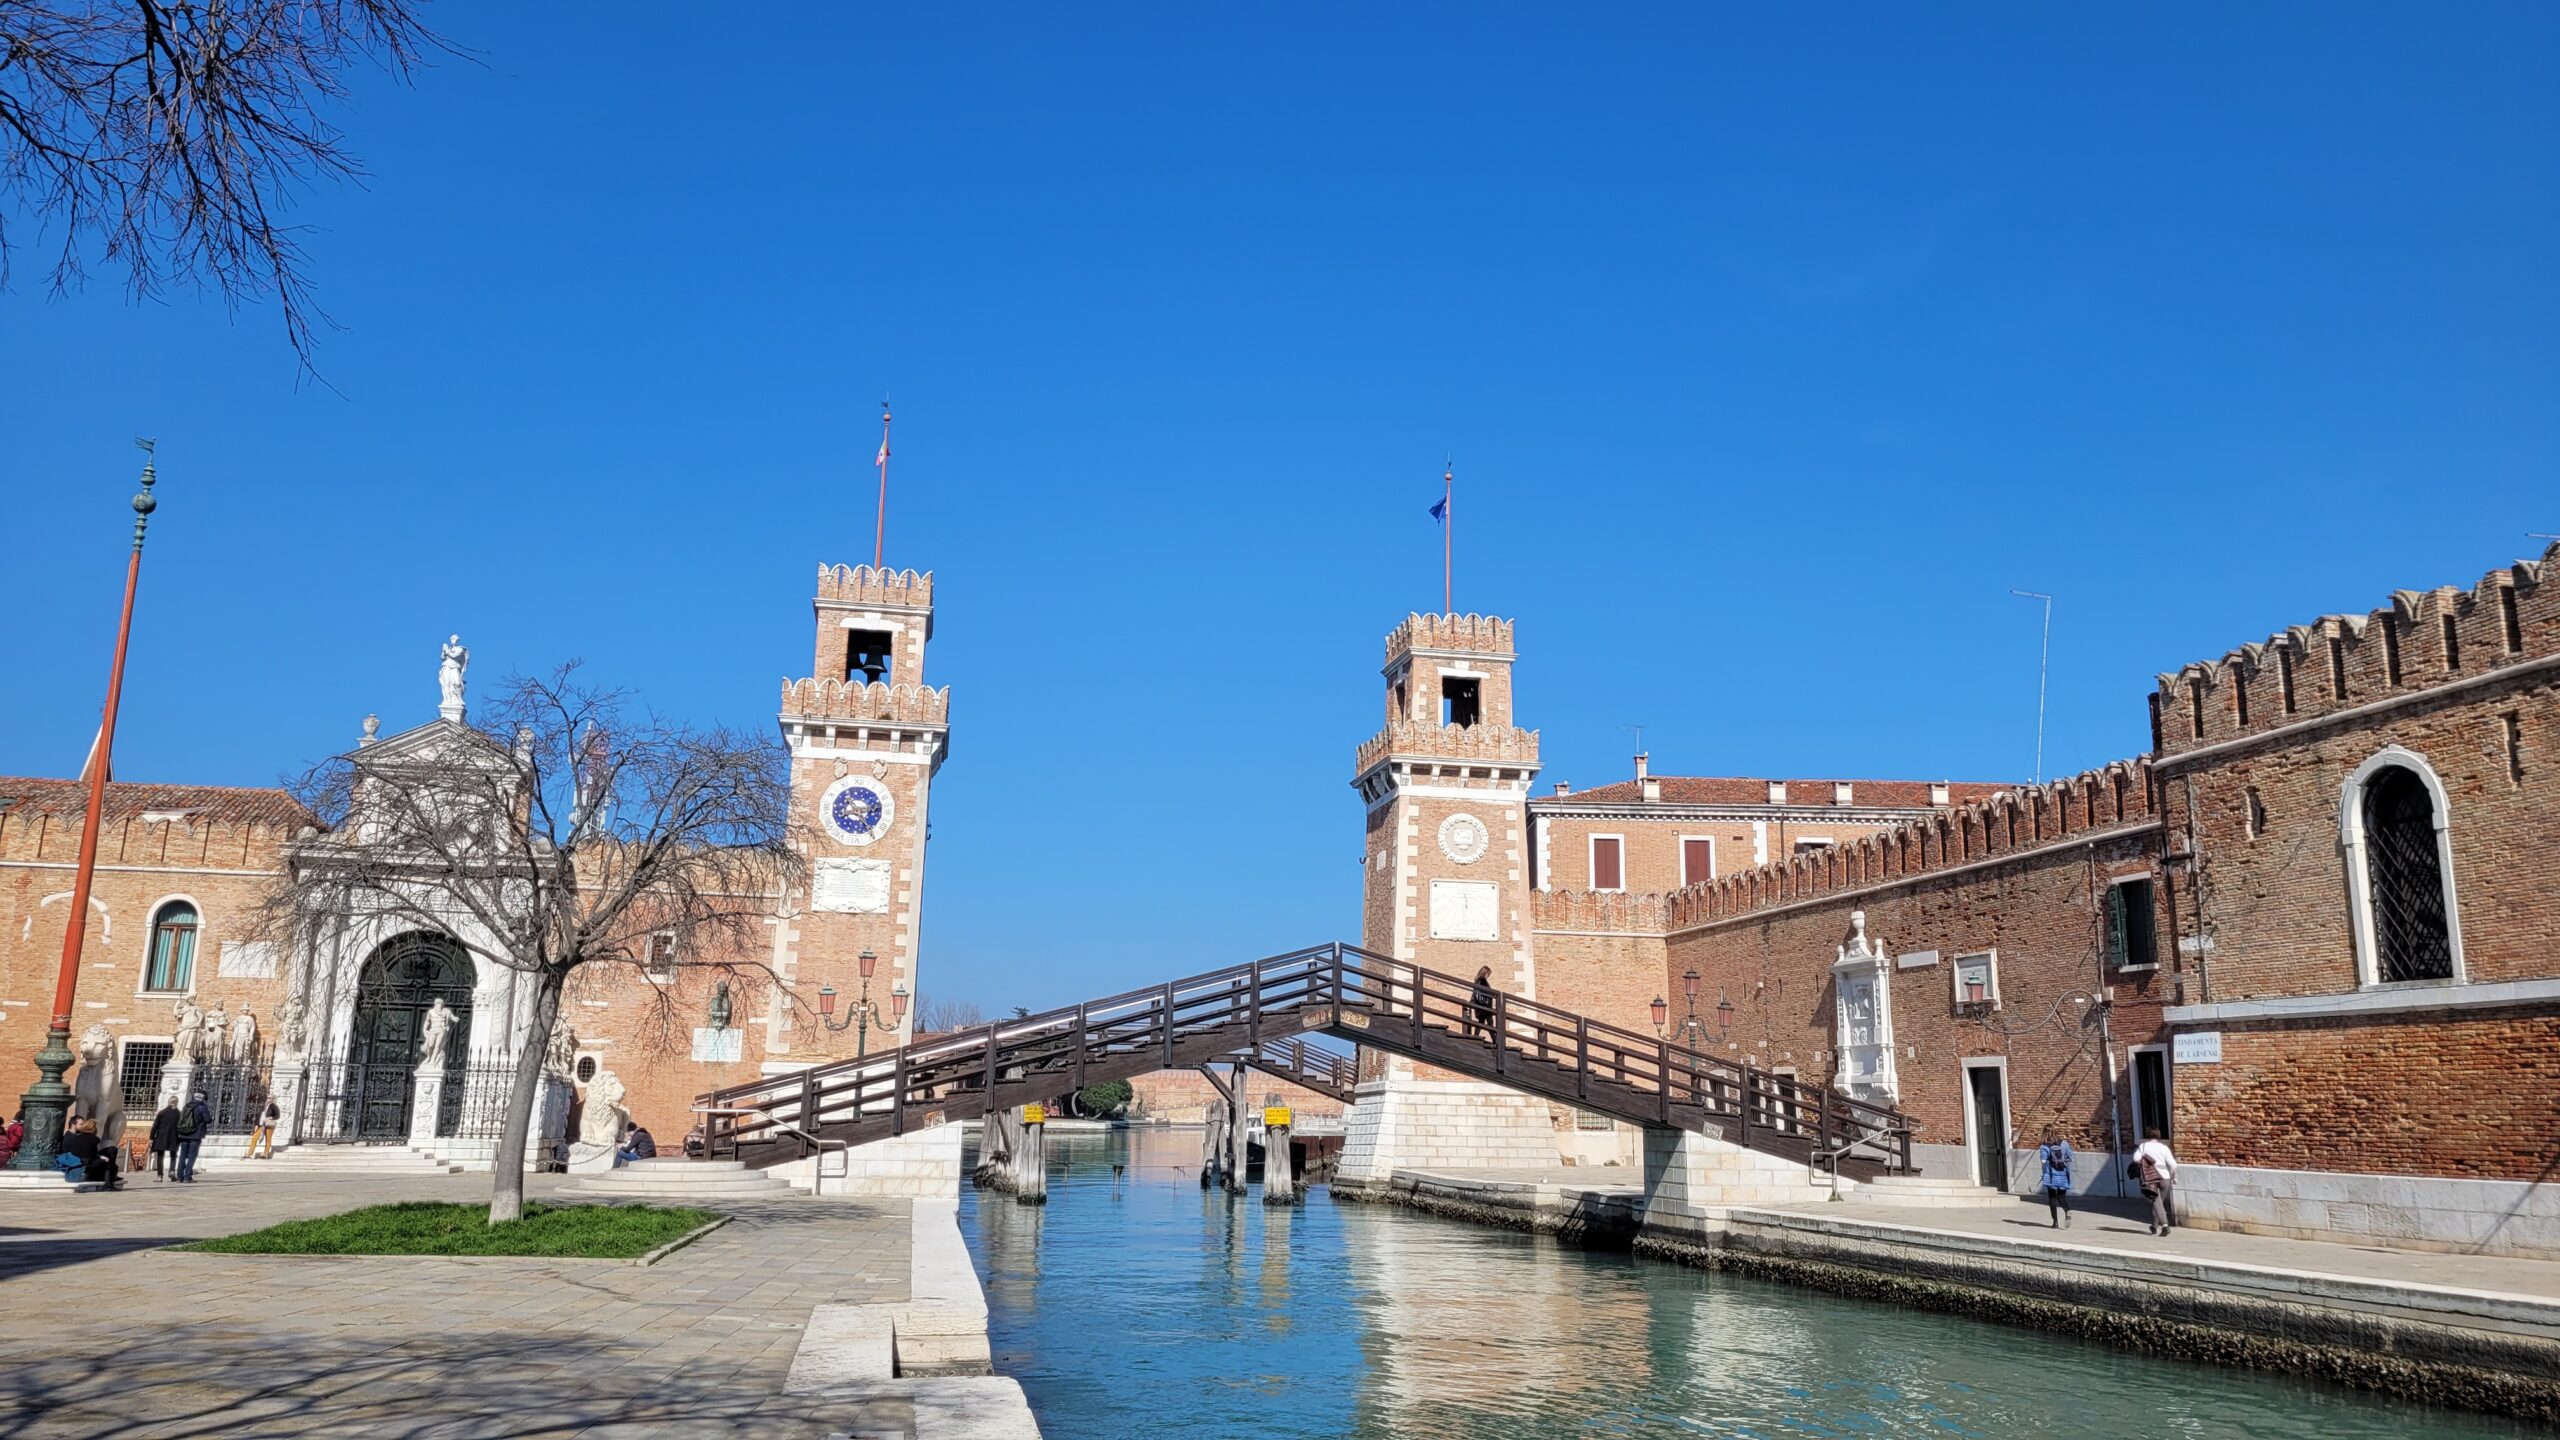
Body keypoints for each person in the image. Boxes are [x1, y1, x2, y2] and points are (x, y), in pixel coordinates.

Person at [2134, 1127, 2178, 1236]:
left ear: (2148, 1135)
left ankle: (2165, 1226)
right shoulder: (2164, 1148)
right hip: (2165, 1177)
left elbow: (2135, 1159)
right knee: (2159, 1203)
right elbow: (2173, 1164)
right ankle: (2154, 1226)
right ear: (2159, 1135)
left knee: (2157, 1203)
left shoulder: (2143, 1146)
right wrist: (2174, 1177)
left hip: (2150, 1178)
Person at [60, 1118, 122, 1189]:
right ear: (94, 1129)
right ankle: (108, 1183)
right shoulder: (95, 1139)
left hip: (78, 1162)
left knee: (111, 1151)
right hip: (87, 1164)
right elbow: (92, 1154)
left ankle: (110, 1176)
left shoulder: (75, 1137)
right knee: (110, 1157)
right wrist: (101, 1158)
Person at [2035, 1126, 2074, 1229]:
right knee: (2061, 1196)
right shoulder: (2064, 1144)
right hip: (2063, 1173)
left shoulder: (2044, 1146)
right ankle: (2067, 1210)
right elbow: (2071, 1158)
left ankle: (2055, 1223)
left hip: (2051, 1175)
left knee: (2052, 1198)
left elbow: (2043, 1160)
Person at [173, 1090, 214, 1183]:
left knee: (182, 1156)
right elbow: (208, 1120)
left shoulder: (186, 1105)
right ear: (202, 1098)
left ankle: (179, 1177)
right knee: (192, 1156)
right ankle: (187, 1177)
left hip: (184, 1134)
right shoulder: (202, 1107)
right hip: (195, 1135)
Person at [148, 1098, 182, 1181]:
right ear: (177, 1103)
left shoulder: (162, 1113)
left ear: (168, 1102)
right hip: (174, 1137)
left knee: (160, 1156)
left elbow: (155, 1126)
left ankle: (159, 1176)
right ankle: (172, 1171)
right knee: (173, 1155)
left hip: (161, 1137)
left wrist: (151, 1137)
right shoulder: (179, 1114)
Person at [1468, 966, 1496, 1041]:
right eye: (1488, 974)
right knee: (1490, 1023)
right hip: (1485, 1005)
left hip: (1481, 1005)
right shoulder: (1483, 980)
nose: (1488, 976)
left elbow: (1476, 993)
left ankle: (1476, 1037)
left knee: (1482, 1022)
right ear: (1485, 973)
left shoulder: (1477, 980)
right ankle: (1495, 1040)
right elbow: (1487, 992)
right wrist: (1493, 994)